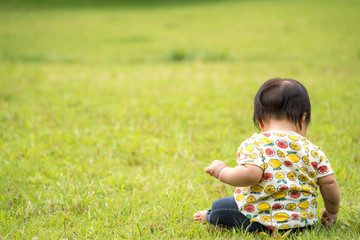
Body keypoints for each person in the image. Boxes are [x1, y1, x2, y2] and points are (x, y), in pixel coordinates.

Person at [193, 78, 340, 233]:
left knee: (220, 207)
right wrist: (331, 212)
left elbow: (250, 174)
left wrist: (221, 171)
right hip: (302, 225)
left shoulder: (256, 143)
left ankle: (210, 215)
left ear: (260, 121)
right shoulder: (313, 150)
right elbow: (329, 183)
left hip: (261, 222)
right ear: (304, 119)